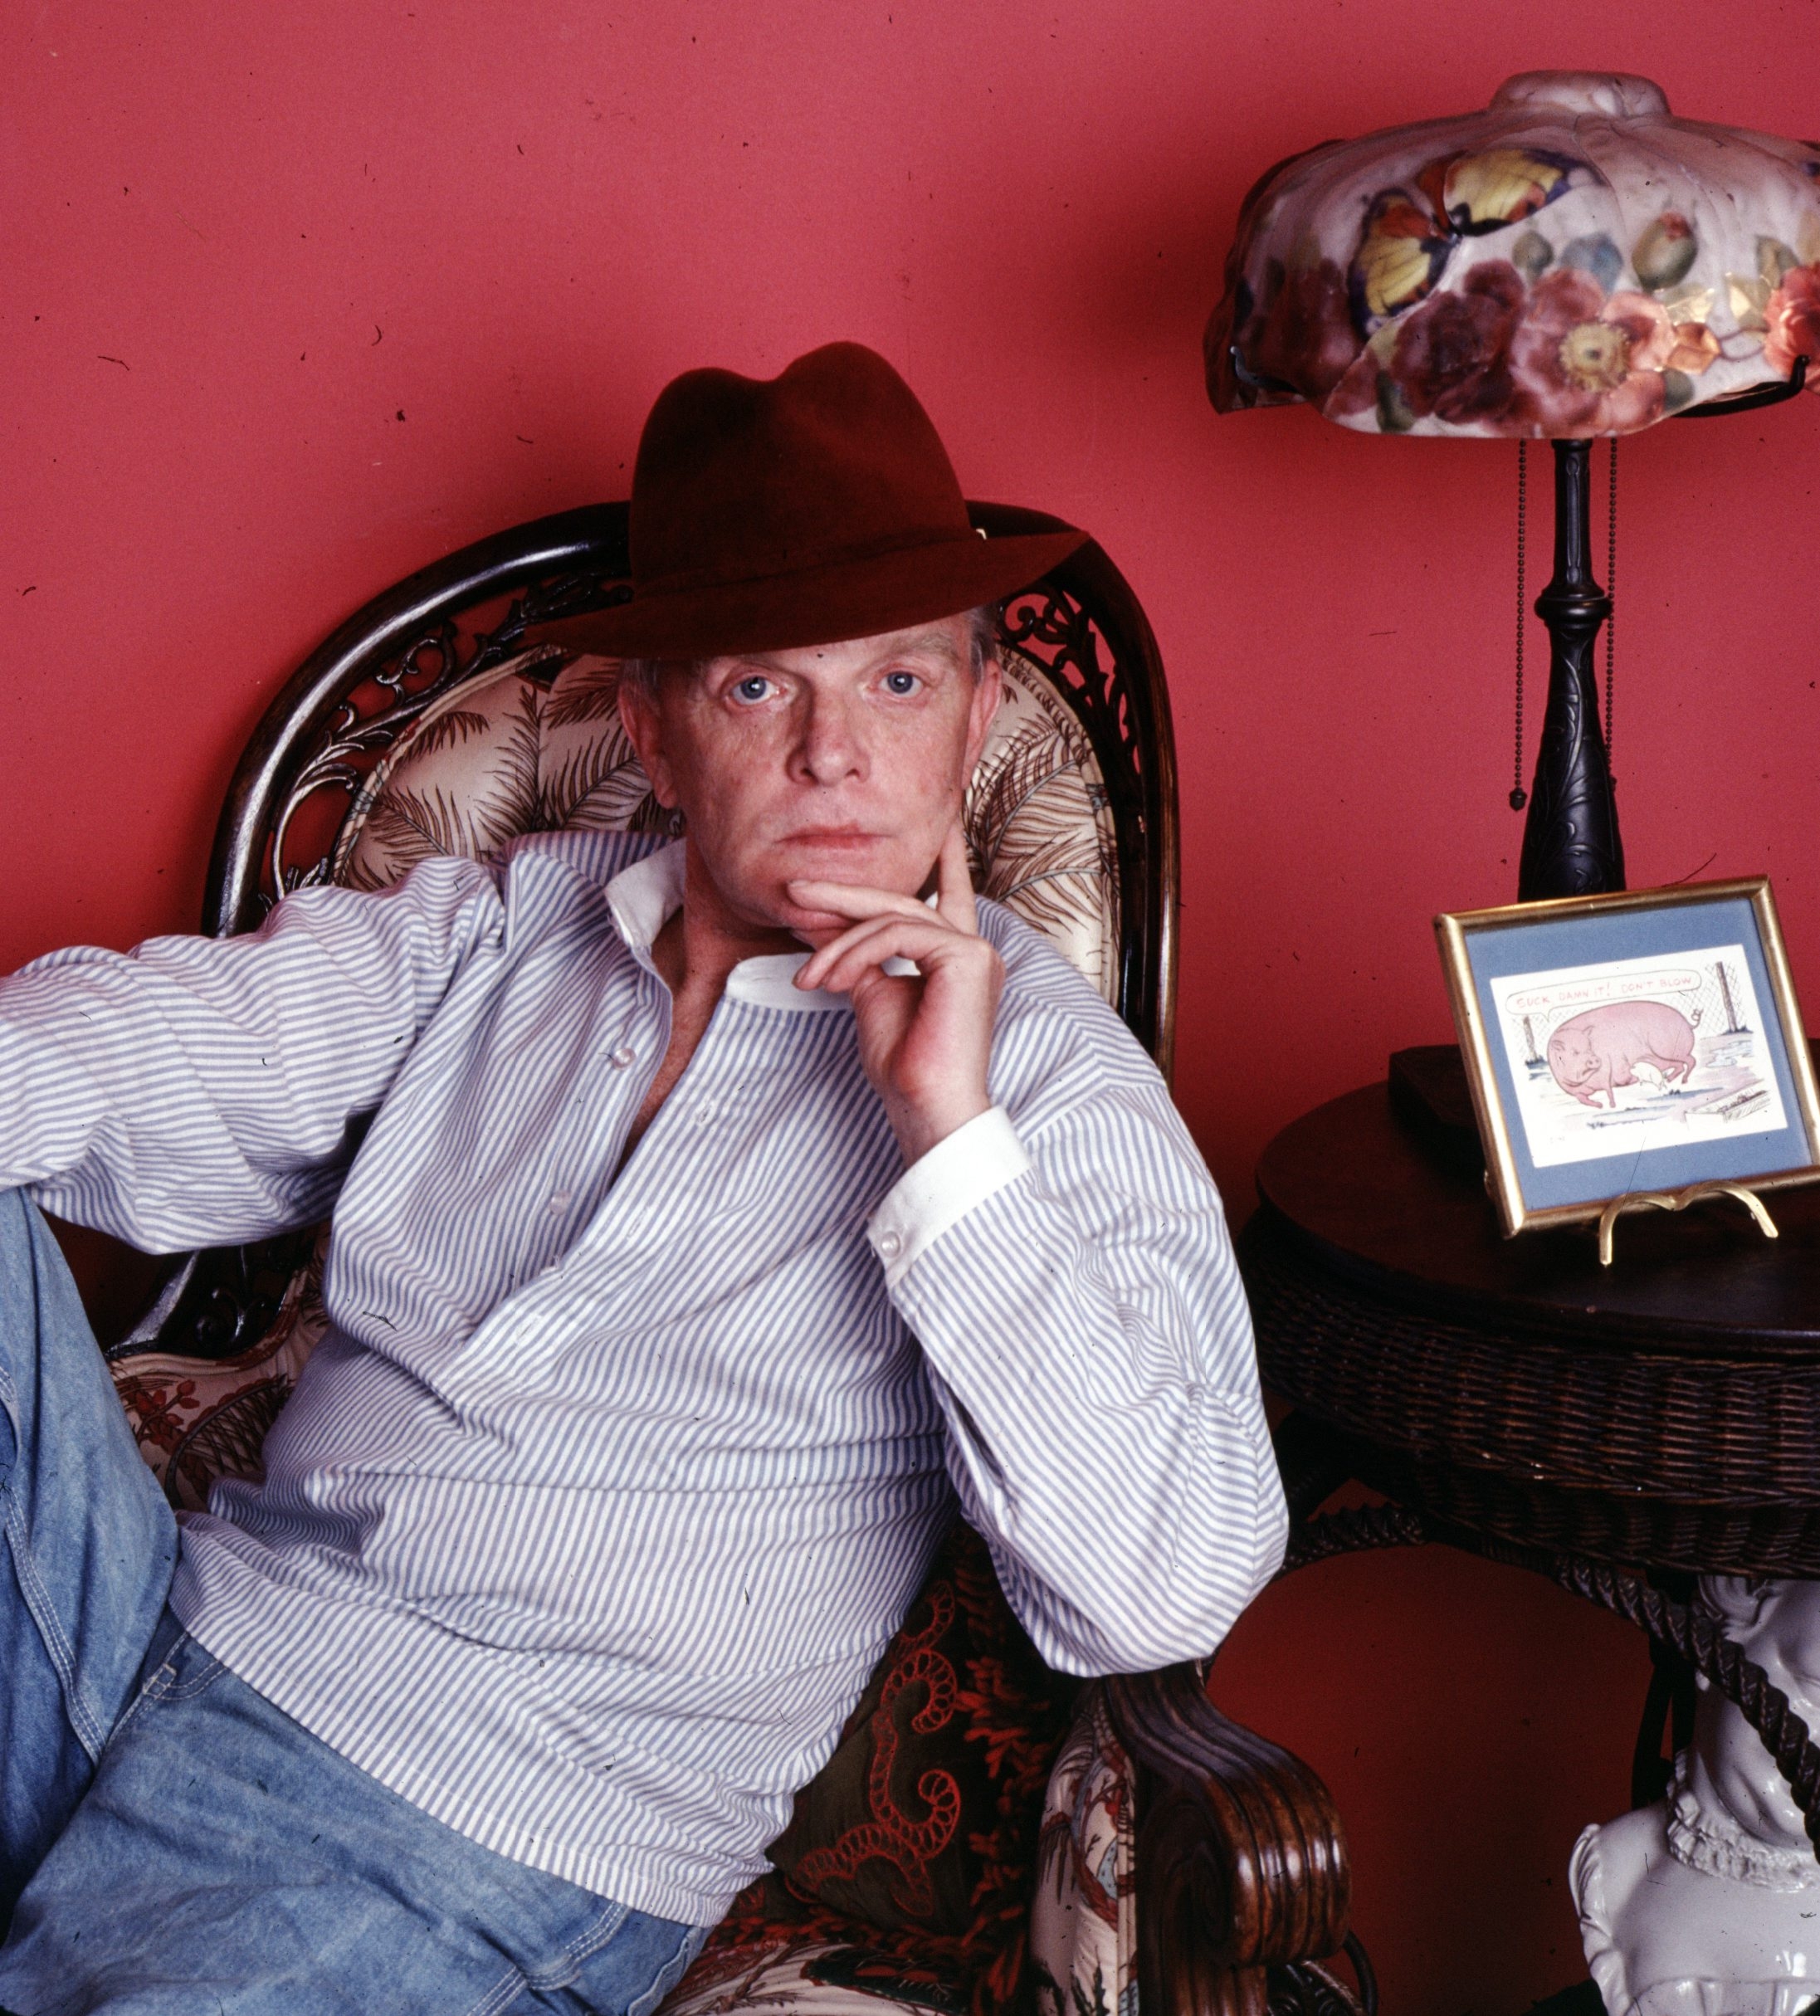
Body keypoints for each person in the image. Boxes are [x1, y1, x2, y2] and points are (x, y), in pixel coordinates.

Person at [0, 342, 1287, 2012]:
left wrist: (948, 1139)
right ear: (653, 731)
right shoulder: (501, 925)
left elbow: (1162, 1580)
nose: (834, 754)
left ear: (977, 719)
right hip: (149, 1647)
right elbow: (116, 1046)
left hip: (477, 1841)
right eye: (759, 688)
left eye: (898, 684)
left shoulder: (1041, 1081)